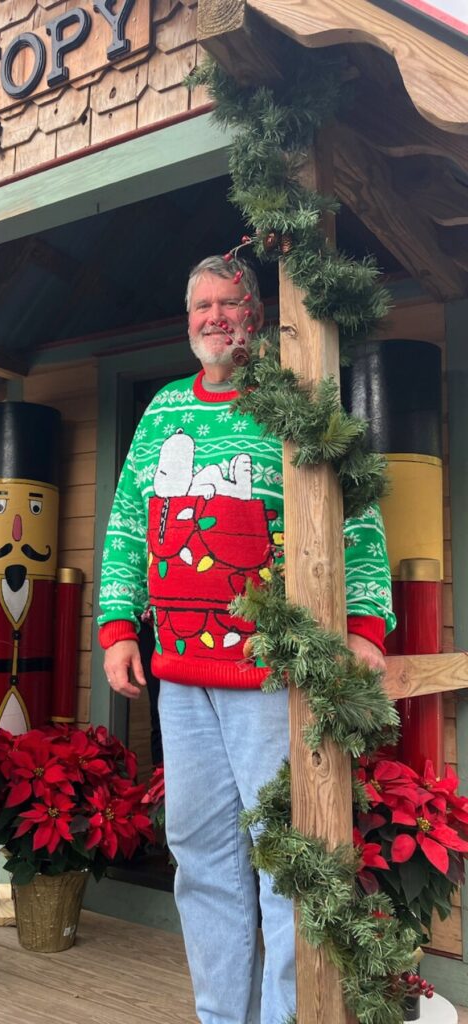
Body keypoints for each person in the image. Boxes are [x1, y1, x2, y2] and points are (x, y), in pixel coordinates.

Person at [97, 256, 394, 1024]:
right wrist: (117, 627)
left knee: (283, 860)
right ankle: (223, 1017)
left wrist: (364, 628)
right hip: (182, 679)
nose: (214, 317)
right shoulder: (162, 409)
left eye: (230, 303)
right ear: (187, 318)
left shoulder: (295, 404)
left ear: (257, 316)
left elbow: (356, 518)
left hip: (271, 677)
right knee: (200, 857)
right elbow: (129, 524)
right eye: (201, 306)